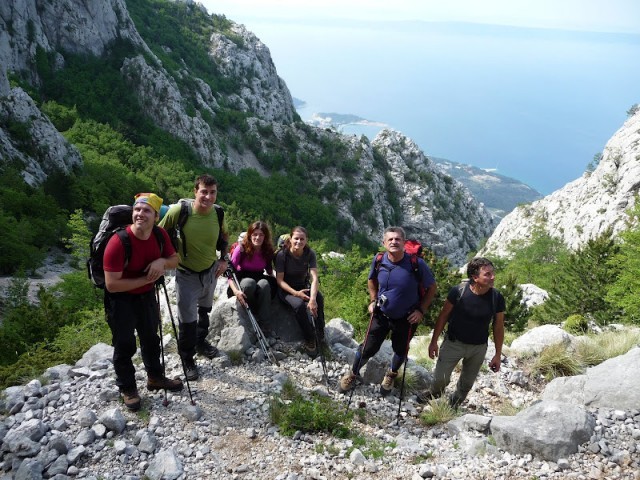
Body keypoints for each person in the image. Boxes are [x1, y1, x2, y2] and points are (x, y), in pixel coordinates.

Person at [103, 193, 183, 411]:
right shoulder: (118, 242)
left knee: (150, 337)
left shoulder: (159, 235)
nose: (140, 214)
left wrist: (160, 262)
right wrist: (146, 278)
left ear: (156, 216)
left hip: (146, 295)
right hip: (120, 299)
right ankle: (127, 387)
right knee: (124, 343)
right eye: (137, 210)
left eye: (146, 210)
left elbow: (175, 259)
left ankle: (155, 377)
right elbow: (111, 284)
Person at [339, 227, 437, 395]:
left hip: (407, 318)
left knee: (400, 350)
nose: (394, 242)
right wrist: (373, 300)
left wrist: (421, 310)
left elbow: (432, 288)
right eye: (390, 239)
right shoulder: (378, 260)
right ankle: (353, 374)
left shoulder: (416, 264)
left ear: (404, 243)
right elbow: (371, 280)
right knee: (367, 348)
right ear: (384, 243)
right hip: (381, 314)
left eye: (398, 239)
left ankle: (391, 375)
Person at [158, 174, 228, 381]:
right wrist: (160, 261)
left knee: (205, 310)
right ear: (195, 191)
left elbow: (224, 236)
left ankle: (200, 342)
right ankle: (187, 358)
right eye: (203, 191)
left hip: (210, 270)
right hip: (186, 272)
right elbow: (159, 234)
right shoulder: (180, 211)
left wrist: (224, 259)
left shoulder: (218, 213)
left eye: (212, 192)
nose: (208, 196)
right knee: (187, 319)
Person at [417, 257, 505, 408]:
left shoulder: (497, 298)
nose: (493, 277)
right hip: (453, 343)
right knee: (440, 380)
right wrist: (433, 342)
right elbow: (443, 316)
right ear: (475, 277)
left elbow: (498, 327)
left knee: (467, 384)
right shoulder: (458, 291)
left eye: (493, 273)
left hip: (478, 348)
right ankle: (435, 392)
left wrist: (497, 354)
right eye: (488, 274)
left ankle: (453, 405)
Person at [275, 226, 325, 355]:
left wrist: (312, 299)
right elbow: (279, 280)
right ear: (290, 239)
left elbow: (314, 278)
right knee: (299, 306)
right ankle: (309, 338)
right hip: (286, 289)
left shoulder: (310, 253)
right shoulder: (282, 255)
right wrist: (296, 293)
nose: (299, 242)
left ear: (306, 240)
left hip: (302, 286)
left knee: (319, 297)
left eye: (302, 239)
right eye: (296, 238)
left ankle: (320, 331)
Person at [227, 221, 276, 334]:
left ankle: (264, 323)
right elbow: (229, 272)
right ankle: (251, 311)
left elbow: (269, 270)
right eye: (255, 234)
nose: (257, 237)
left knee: (265, 284)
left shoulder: (267, 250)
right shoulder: (242, 249)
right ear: (250, 235)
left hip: (259, 276)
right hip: (242, 277)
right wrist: (235, 291)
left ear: (265, 236)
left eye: (261, 235)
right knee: (249, 283)